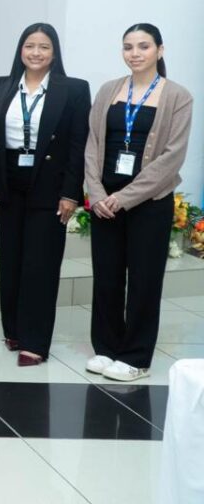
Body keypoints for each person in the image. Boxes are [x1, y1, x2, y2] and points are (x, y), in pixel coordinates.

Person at [83, 23, 192, 382]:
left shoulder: (178, 96)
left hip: (149, 202)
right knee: (107, 278)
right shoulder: (108, 90)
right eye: (128, 47)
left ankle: (136, 357)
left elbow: (172, 157)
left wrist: (124, 198)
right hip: (105, 202)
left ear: (160, 50)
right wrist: (97, 193)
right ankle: (106, 347)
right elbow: (92, 144)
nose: (135, 53)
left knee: (144, 281)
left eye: (143, 46)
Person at [0, 24, 90, 366]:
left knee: (41, 263)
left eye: (44, 47)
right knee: (11, 258)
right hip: (7, 180)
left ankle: (35, 342)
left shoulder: (73, 89)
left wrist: (71, 192)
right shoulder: (3, 85)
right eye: (30, 46)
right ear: (20, 50)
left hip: (50, 184)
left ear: (54, 52)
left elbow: (78, 145)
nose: (36, 53)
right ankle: (13, 330)